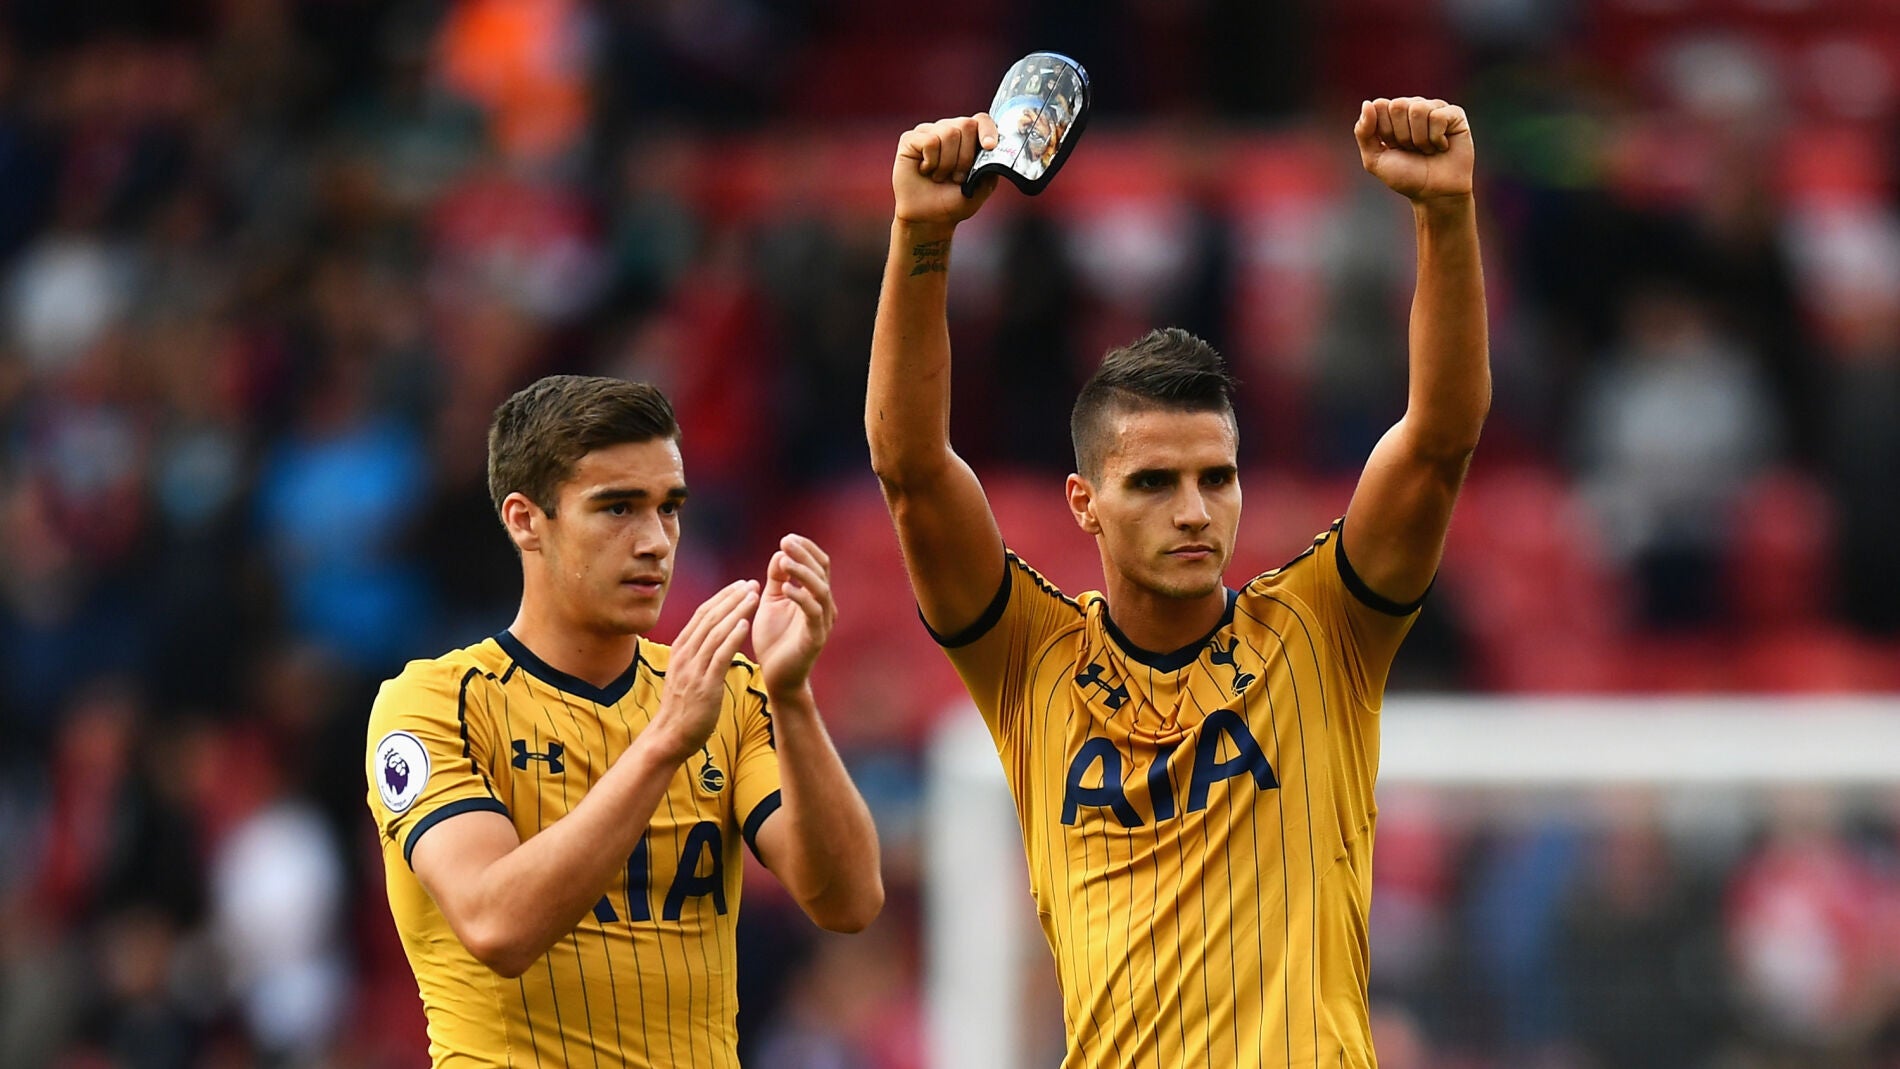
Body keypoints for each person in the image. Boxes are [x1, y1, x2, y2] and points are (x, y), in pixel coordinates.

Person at [867, 97, 1488, 1066]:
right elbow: (910, 470)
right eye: (1153, 482)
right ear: (1084, 501)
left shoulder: (1322, 630)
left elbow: (1438, 442)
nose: (1194, 510)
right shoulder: (1031, 660)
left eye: (1216, 477)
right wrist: (922, 238)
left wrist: (1444, 218)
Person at [366, 375, 882, 1066]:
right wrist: (664, 742)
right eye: (617, 509)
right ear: (525, 519)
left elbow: (847, 900)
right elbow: (496, 924)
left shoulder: (728, 693)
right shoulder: (433, 704)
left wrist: (792, 696)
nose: (656, 541)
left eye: (669, 508)